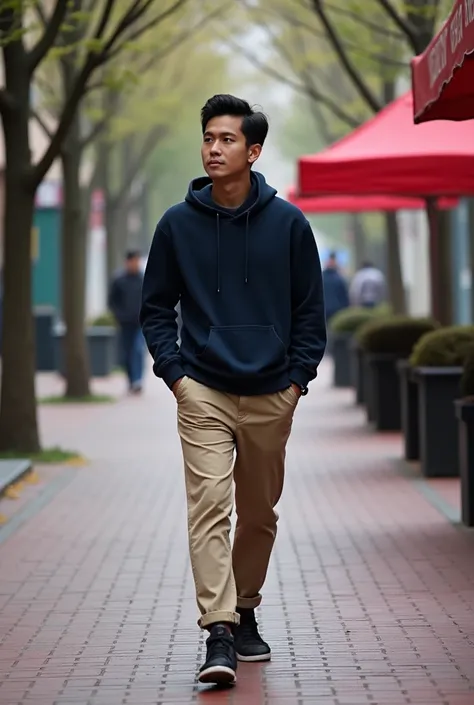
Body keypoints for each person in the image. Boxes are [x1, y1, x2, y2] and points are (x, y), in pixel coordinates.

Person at [140, 94, 326, 686]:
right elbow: (154, 308)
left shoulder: (290, 224)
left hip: (274, 390)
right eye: (208, 138)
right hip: (205, 392)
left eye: (226, 140)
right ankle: (218, 631)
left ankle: (246, 607)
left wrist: (297, 380)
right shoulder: (176, 224)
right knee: (208, 509)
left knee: (259, 513)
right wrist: (177, 377)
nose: (214, 148)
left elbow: (310, 313)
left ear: (253, 150)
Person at [108, 249, 145, 394]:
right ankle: (131, 379)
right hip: (124, 323)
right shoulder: (119, 280)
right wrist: (119, 315)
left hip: (140, 323)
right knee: (127, 352)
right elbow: (112, 301)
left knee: (138, 349)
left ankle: (138, 379)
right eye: (132, 261)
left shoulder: (143, 279)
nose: (134, 264)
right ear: (127, 262)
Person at [322, 251, 350, 322]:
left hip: (325, 308)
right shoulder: (339, 278)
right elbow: (344, 296)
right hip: (336, 309)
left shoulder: (322, 277)